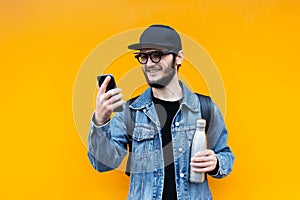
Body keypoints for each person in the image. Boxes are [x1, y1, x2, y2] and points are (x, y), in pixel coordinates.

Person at [88, 24, 234, 200]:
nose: (149, 64)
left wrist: (216, 162)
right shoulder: (130, 112)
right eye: (143, 56)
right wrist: (101, 120)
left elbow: (225, 155)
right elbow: (102, 164)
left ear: (178, 58)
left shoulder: (205, 108)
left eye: (157, 55)